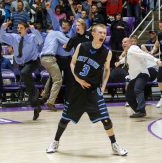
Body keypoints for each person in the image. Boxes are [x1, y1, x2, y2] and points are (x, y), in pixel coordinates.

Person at [46, 24, 128, 156]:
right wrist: (78, 79)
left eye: (105, 33)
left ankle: (114, 145)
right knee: (65, 118)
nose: (103, 35)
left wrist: (103, 86)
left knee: (106, 119)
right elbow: (72, 63)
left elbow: (107, 70)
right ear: (93, 34)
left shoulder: (107, 52)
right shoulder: (82, 46)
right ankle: (55, 142)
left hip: (93, 91)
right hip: (76, 89)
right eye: (100, 32)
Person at [0, 22, 43, 119]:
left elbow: (40, 40)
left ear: (26, 29)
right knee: (26, 83)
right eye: (18, 28)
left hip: (33, 61)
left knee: (24, 73)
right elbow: (1, 38)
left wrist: (34, 30)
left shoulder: (32, 37)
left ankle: (35, 92)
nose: (19, 29)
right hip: (21, 63)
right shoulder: (14, 37)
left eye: (21, 28)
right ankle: (37, 106)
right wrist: (3, 28)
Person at [115, 37, 162, 118]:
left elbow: (144, 54)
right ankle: (138, 111)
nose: (123, 44)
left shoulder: (133, 48)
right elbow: (125, 59)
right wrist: (119, 62)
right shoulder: (128, 52)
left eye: (125, 42)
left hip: (142, 74)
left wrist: (156, 60)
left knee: (137, 89)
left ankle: (141, 110)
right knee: (129, 96)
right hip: (134, 77)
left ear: (130, 43)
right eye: (123, 42)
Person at [39, 27, 69, 111]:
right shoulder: (57, 33)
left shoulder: (48, 35)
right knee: (58, 80)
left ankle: (44, 96)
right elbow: (67, 41)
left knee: (52, 77)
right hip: (49, 58)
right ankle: (51, 102)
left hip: (42, 58)